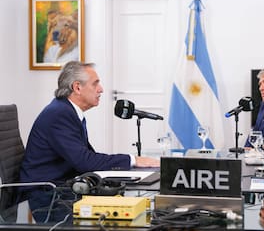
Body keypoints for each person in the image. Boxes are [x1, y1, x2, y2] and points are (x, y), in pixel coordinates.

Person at [20, 61, 159, 221]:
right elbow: (85, 162)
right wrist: (133, 160)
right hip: (44, 196)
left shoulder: (67, 110)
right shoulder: (59, 114)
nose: (101, 89)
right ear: (77, 87)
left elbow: (87, 158)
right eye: (95, 84)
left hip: (62, 189)